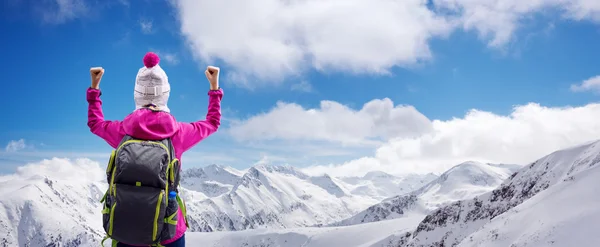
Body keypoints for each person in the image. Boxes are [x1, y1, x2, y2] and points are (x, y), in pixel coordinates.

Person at [87, 52, 223, 247]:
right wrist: (214, 87)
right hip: (168, 231)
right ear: (166, 93)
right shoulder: (178, 134)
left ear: (136, 94)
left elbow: (95, 123)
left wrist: (94, 88)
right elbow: (212, 122)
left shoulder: (122, 132)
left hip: (125, 229)